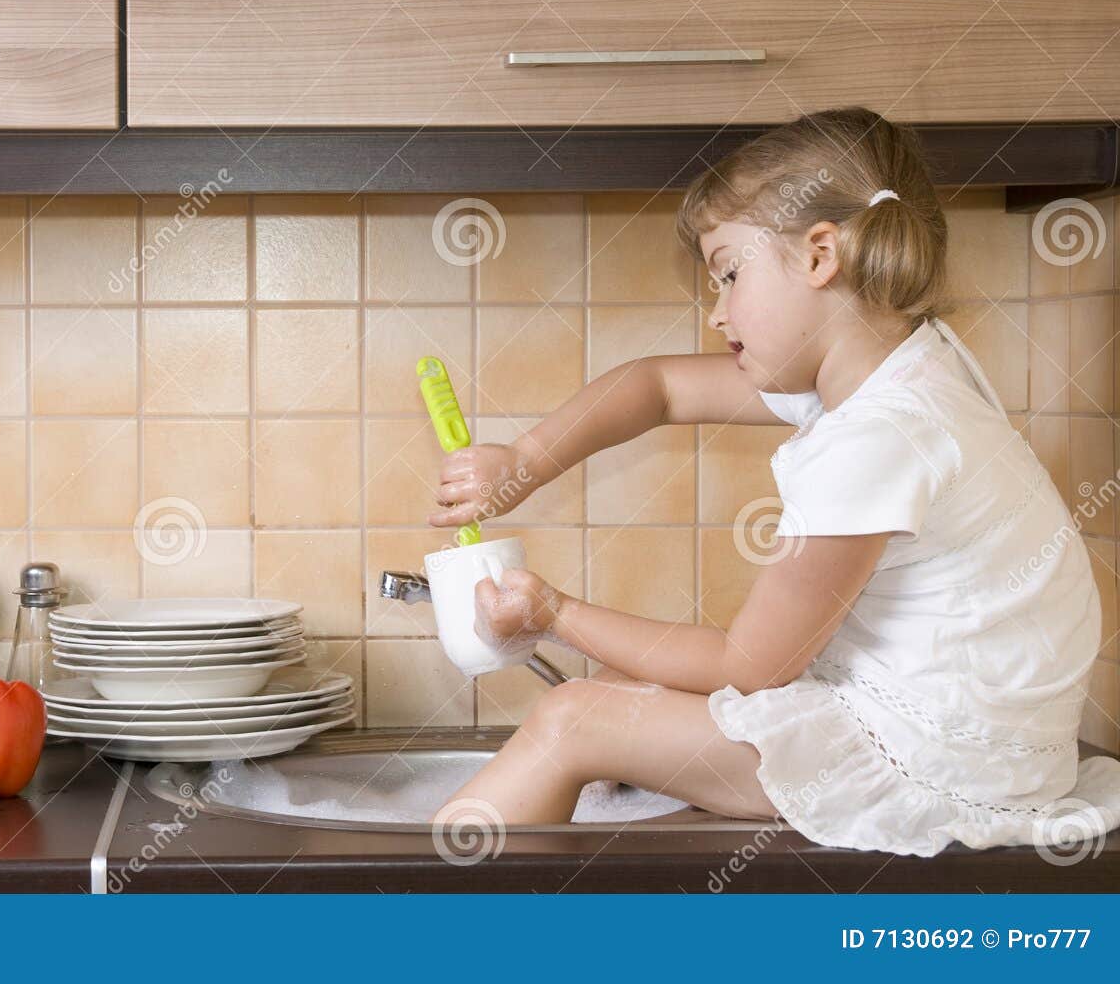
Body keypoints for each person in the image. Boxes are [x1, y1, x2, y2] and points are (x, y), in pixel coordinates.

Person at [429, 107, 1120, 857]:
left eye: (729, 272)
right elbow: (659, 386)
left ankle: (422, 940)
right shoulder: (905, 371)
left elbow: (748, 668)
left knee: (569, 719)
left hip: (939, 767)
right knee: (613, 681)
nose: (717, 310)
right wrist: (525, 460)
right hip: (992, 750)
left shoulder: (877, 437)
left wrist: (551, 611)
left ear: (821, 253)